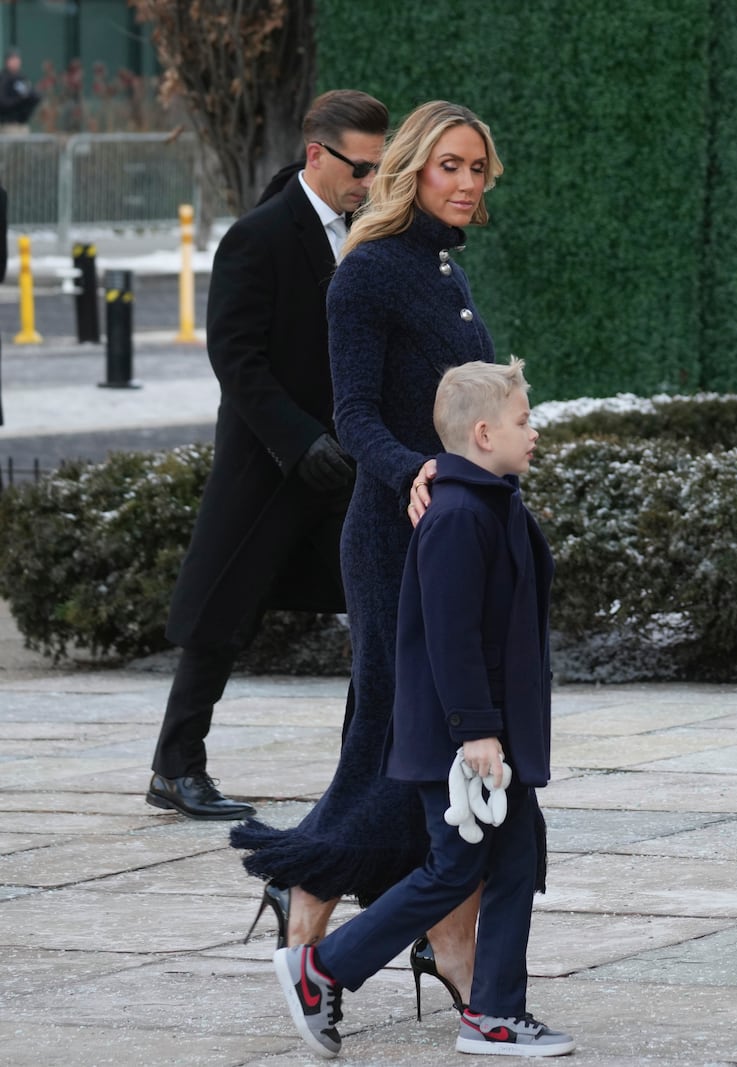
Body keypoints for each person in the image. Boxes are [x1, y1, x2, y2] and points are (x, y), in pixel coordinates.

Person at [232, 99, 504, 1008]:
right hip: (396, 537)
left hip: (456, 535)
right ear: (414, 170)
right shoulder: (369, 273)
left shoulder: (442, 273)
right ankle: (318, 898)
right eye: (452, 167)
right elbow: (354, 417)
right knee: (406, 744)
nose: (467, 184)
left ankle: (370, 913)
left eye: (477, 170)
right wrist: (416, 472)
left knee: (426, 748)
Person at [274, 357, 573, 1059]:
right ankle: (320, 970)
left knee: (513, 863)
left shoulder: (495, 501)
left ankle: (495, 1012)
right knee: (452, 870)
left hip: (496, 737)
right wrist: (477, 732)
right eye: (523, 420)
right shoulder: (459, 516)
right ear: (481, 431)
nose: (534, 431)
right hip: (464, 742)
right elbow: (450, 636)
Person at [145, 90, 388, 822]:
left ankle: (367, 769)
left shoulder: (369, 233)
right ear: (316, 154)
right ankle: (175, 765)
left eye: (382, 167)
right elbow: (237, 357)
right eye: (361, 166)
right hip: (270, 465)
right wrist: (296, 439)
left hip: (345, 463)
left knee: (382, 605)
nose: (372, 182)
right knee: (220, 618)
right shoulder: (258, 236)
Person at [0, 51, 40, 134]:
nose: (16, 62)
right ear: (7, 61)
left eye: (17, 60)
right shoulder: (3, 78)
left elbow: (34, 97)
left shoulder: (21, 78)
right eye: (13, 60)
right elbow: (3, 102)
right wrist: (20, 99)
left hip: (22, 124)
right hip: (8, 125)